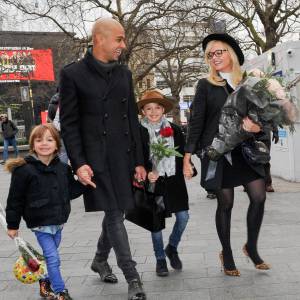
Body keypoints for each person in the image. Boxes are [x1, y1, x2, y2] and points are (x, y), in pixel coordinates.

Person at [59, 18, 147, 300]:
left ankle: (99, 259)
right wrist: (78, 162)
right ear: (99, 39)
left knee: (117, 212)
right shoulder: (73, 74)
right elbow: (70, 124)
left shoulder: (124, 74)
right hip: (96, 159)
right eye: (119, 39)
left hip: (122, 156)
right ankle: (133, 277)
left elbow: (132, 119)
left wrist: (140, 160)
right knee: (113, 212)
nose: (123, 45)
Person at [183, 33, 270, 276]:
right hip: (218, 151)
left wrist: (258, 125)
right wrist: (188, 155)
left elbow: (263, 115)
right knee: (226, 203)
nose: (214, 57)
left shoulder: (249, 82)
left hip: (246, 148)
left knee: (259, 197)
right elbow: (196, 121)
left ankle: (251, 247)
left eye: (219, 52)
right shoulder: (206, 85)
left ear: (231, 53)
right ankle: (227, 253)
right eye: (210, 55)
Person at [5, 123, 84, 300]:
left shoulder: (63, 168)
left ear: (57, 144)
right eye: (39, 140)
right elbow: (14, 200)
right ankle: (60, 291)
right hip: (40, 223)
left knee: (49, 259)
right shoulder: (24, 170)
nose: (44, 143)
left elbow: (70, 191)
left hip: (59, 221)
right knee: (53, 258)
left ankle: (44, 281)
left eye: (49, 139)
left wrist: (85, 183)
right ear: (33, 145)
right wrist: (13, 225)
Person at [137, 89, 189, 277]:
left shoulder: (174, 129)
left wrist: (188, 167)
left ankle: (172, 248)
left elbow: (183, 154)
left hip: (175, 181)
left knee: (183, 217)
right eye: (148, 108)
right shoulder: (138, 131)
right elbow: (135, 158)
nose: (153, 112)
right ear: (143, 111)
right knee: (156, 223)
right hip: (154, 183)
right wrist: (147, 171)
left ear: (163, 109)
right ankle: (160, 259)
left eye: (157, 107)